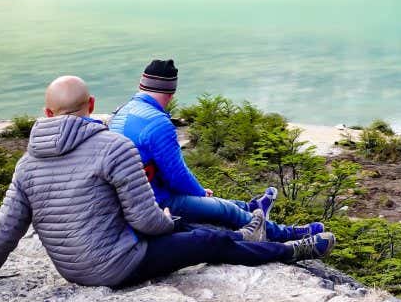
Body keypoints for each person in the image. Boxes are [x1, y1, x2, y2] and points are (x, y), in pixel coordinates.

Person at [0, 76, 334, 291]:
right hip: (117, 264)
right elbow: (147, 221)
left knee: (195, 230)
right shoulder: (112, 146)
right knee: (207, 239)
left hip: (74, 269)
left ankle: (255, 235)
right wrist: (167, 220)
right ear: (92, 105)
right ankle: (288, 251)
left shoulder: (26, 163)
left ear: (47, 113)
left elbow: (6, 231)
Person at [109, 59, 324, 243]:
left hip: (130, 196)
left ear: (141, 85)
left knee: (220, 205)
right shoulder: (157, 123)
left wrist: (199, 192)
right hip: (154, 201)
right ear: (171, 94)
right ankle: (285, 233)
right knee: (224, 210)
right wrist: (200, 192)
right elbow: (176, 175)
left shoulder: (120, 112)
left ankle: (251, 207)